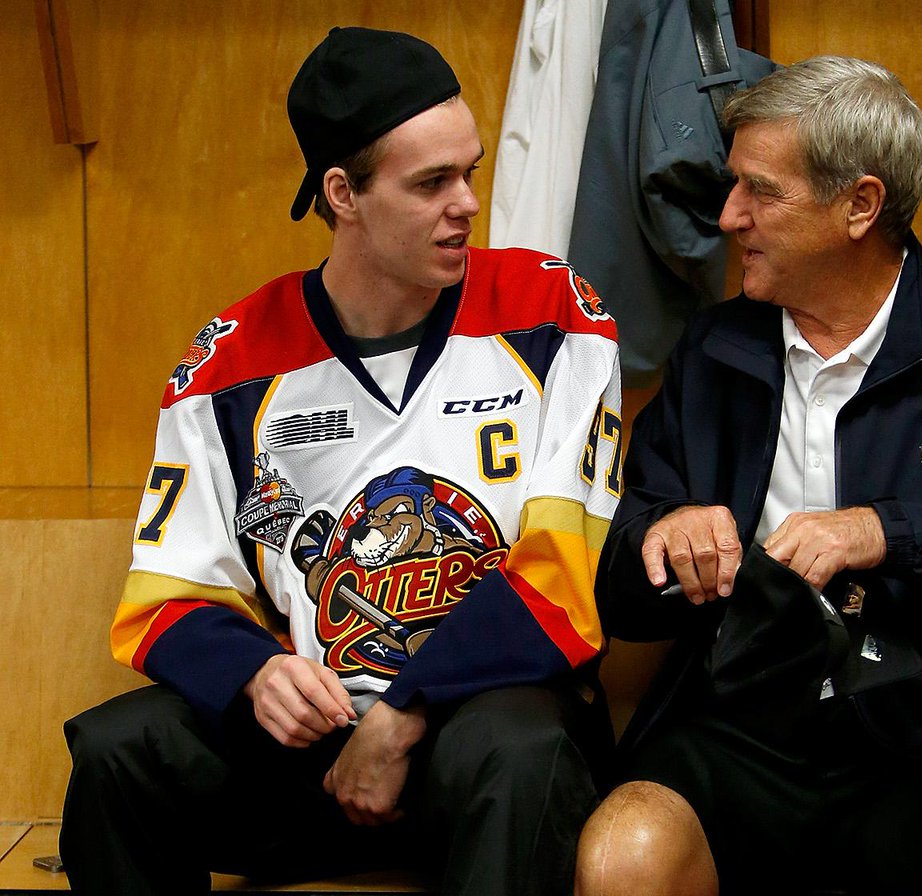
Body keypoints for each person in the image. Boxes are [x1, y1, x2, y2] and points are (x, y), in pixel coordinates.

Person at [60, 27, 623, 896]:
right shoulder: (232, 365)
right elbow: (164, 599)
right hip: (315, 746)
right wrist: (254, 673)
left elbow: (561, 580)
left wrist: (403, 712)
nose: (467, 203)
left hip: (487, 731)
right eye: (431, 182)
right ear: (342, 194)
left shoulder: (553, 313)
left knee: (520, 752)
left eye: (469, 171)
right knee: (116, 753)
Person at [574, 55, 922, 896]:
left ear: (861, 206)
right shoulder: (711, 355)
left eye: (760, 192)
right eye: (731, 186)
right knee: (624, 852)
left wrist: (889, 532)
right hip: (744, 730)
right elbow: (617, 576)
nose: (730, 216)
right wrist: (660, 542)